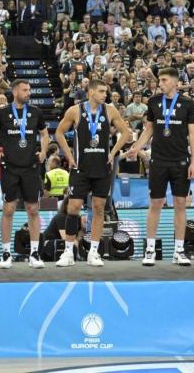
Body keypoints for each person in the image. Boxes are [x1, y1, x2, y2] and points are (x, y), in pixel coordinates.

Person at [54, 79, 132, 267]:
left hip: (102, 168)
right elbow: (59, 133)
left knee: (98, 208)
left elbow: (126, 133)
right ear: (91, 92)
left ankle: (94, 252)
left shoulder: (110, 110)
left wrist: (113, 153)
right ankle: (68, 252)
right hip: (80, 168)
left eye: (106, 91)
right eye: (101, 91)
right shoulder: (75, 110)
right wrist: (69, 156)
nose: (105, 94)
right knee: (73, 208)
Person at [126, 67, 194, 267]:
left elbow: (193, 134)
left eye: (164, 80)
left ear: (175, 82)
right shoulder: (153, 101)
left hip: (180, 160)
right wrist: (136, 147)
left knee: (180, 204)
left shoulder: (187, 103)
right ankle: (150, 249)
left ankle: (179, 250)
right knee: (155, 203)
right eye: (160, 80)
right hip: (158, 160)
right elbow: (148, 129)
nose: (160, 83)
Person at [0, 79, 49, 269]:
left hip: (31, 167)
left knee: (33, 209)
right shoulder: (2, 113)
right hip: (10, 167)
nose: (28, 93)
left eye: (29, 89)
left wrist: (44, 151)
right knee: (8, 209)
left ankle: (34, 253)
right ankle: (6, 253)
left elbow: (44, 134)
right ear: (15, 92)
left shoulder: (36, 112)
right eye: (25, 90)